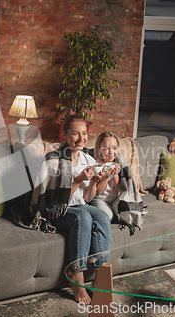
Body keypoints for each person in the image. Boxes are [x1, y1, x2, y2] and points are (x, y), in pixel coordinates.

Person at [50, 115, 112, 305]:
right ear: (65, 134)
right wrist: (77, 180)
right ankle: (76, 275)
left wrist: (96, 180)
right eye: (75, 133)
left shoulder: (87, 159)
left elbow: (87, 198)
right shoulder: (54, 160)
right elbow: (55, 200)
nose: (81, 139)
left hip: (79, 205)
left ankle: (100, 275)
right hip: (56, 209)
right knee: (83, 216)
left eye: (84, 133)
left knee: (101, 215)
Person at [90, 132, 123, 221]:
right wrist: (106, 177)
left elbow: (118, 191)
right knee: (108, 217)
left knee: (124, 213)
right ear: (99, 150)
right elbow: (98, 192)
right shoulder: (96, 166)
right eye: (106, 149)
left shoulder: (120, 164)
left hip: (115, 198)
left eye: (114, 148)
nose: (111, 152)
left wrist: (115, 175)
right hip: (100, 199)